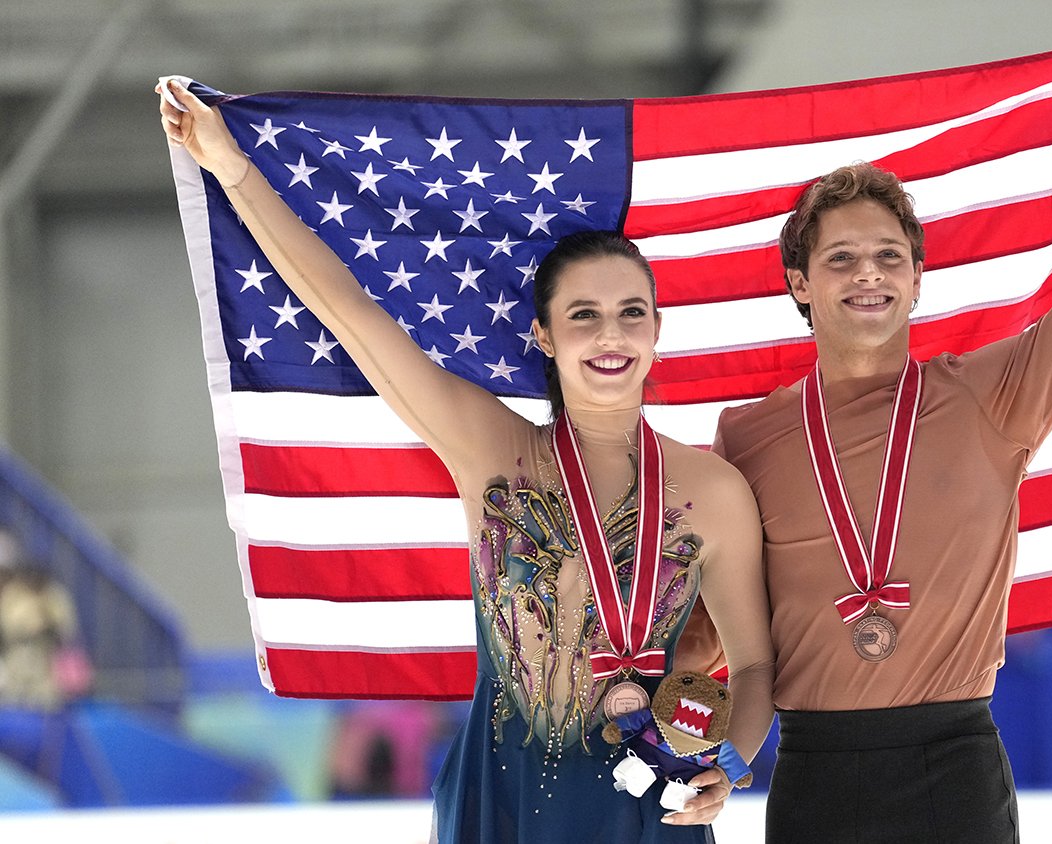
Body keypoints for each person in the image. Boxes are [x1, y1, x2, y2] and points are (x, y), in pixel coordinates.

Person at [682, 6, 1052, 841]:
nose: (870, 277)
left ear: (919, 280)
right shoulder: (746, 438)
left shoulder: (995, 394)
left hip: (953, 770)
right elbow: (712, 626)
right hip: (815, 774)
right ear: (799, 284)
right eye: (842, 258)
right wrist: (664, 728)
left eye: (891, 257)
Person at [158, 79, 774, 842]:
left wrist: (730, 765)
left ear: (656, 329)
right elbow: (349, 314)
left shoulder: (712, 490)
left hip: (649, 802)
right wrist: (234, 169)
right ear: (544, 337)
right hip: (498, 801)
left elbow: (752, 667)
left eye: (630, 314)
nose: (610, 337)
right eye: (583, 316)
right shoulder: (492, 449)